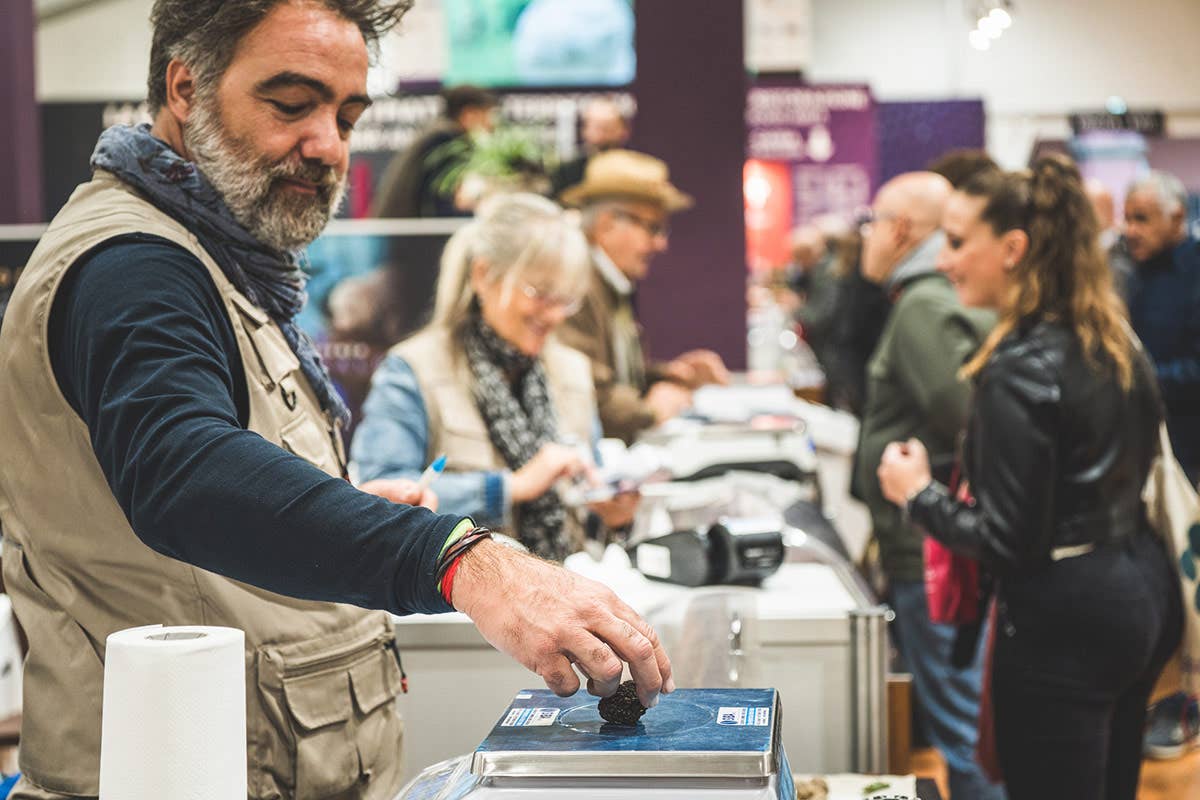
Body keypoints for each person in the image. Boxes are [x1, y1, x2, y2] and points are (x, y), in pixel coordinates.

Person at [0, 3, 673, 799]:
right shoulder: (135, 266)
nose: (328, 145)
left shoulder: (225, 263)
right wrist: (461, 558)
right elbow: (181, 471)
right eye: (291, 105)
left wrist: (345, 504)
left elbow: (215, 487)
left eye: (348, 115)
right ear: (185, 87)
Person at [879, 156, 1182, 800]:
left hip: (1066, 621)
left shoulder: (1017, 368)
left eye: (958, 243)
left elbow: (1008, 540)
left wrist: (918, 494)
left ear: (1013, 249)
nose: (944, 261)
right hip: (1141, 595)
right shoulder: (1113, 341)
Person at [351, 193, 637, 560]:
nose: (554, 315)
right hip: (458, 605)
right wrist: (510, 488)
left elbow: (588, 497)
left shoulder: (572, 371)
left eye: (566, 299)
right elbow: (377, 501)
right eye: (541, 294)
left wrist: (611, 513)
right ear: (483, 275)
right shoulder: (413, 369)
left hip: (567, 589)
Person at [850, 172, 1001, 800]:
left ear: (899, 229)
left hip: (934, 552)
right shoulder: (927, 300)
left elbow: (965, 417)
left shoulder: (922, 306)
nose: (865, 234)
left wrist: (919, 492)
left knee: (961, 736)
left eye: (871, 220)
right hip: (935, 542)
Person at [558, 149, 730, 443]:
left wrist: (672, 375)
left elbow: (618, 376)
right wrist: (649, 410)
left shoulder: (609, 283)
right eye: (653, 228)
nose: (660, 244)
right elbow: (587, 393)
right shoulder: (574, 285)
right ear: (606, 224)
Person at [1124, 170, 1200, 482]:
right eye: (1127, 218)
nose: (1130, 230)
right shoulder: (1131, 270)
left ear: (1177, 217)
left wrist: (1140, 380)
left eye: (1141, 219)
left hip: (1187, 448)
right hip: (1140, 442)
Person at [371, 84, 498, 218]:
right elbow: (441, 206)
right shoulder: (446, 140)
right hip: (405, 231)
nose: (491, 124)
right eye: (488, 115)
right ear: (469, 114)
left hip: (401, 228)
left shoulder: (438, 133)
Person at [549, 97, 631, 197]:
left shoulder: (636, 171)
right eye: (597, 127)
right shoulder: (568, 172)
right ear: (584, 130)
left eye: (607, 128)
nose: (602, 135)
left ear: (623, 131)